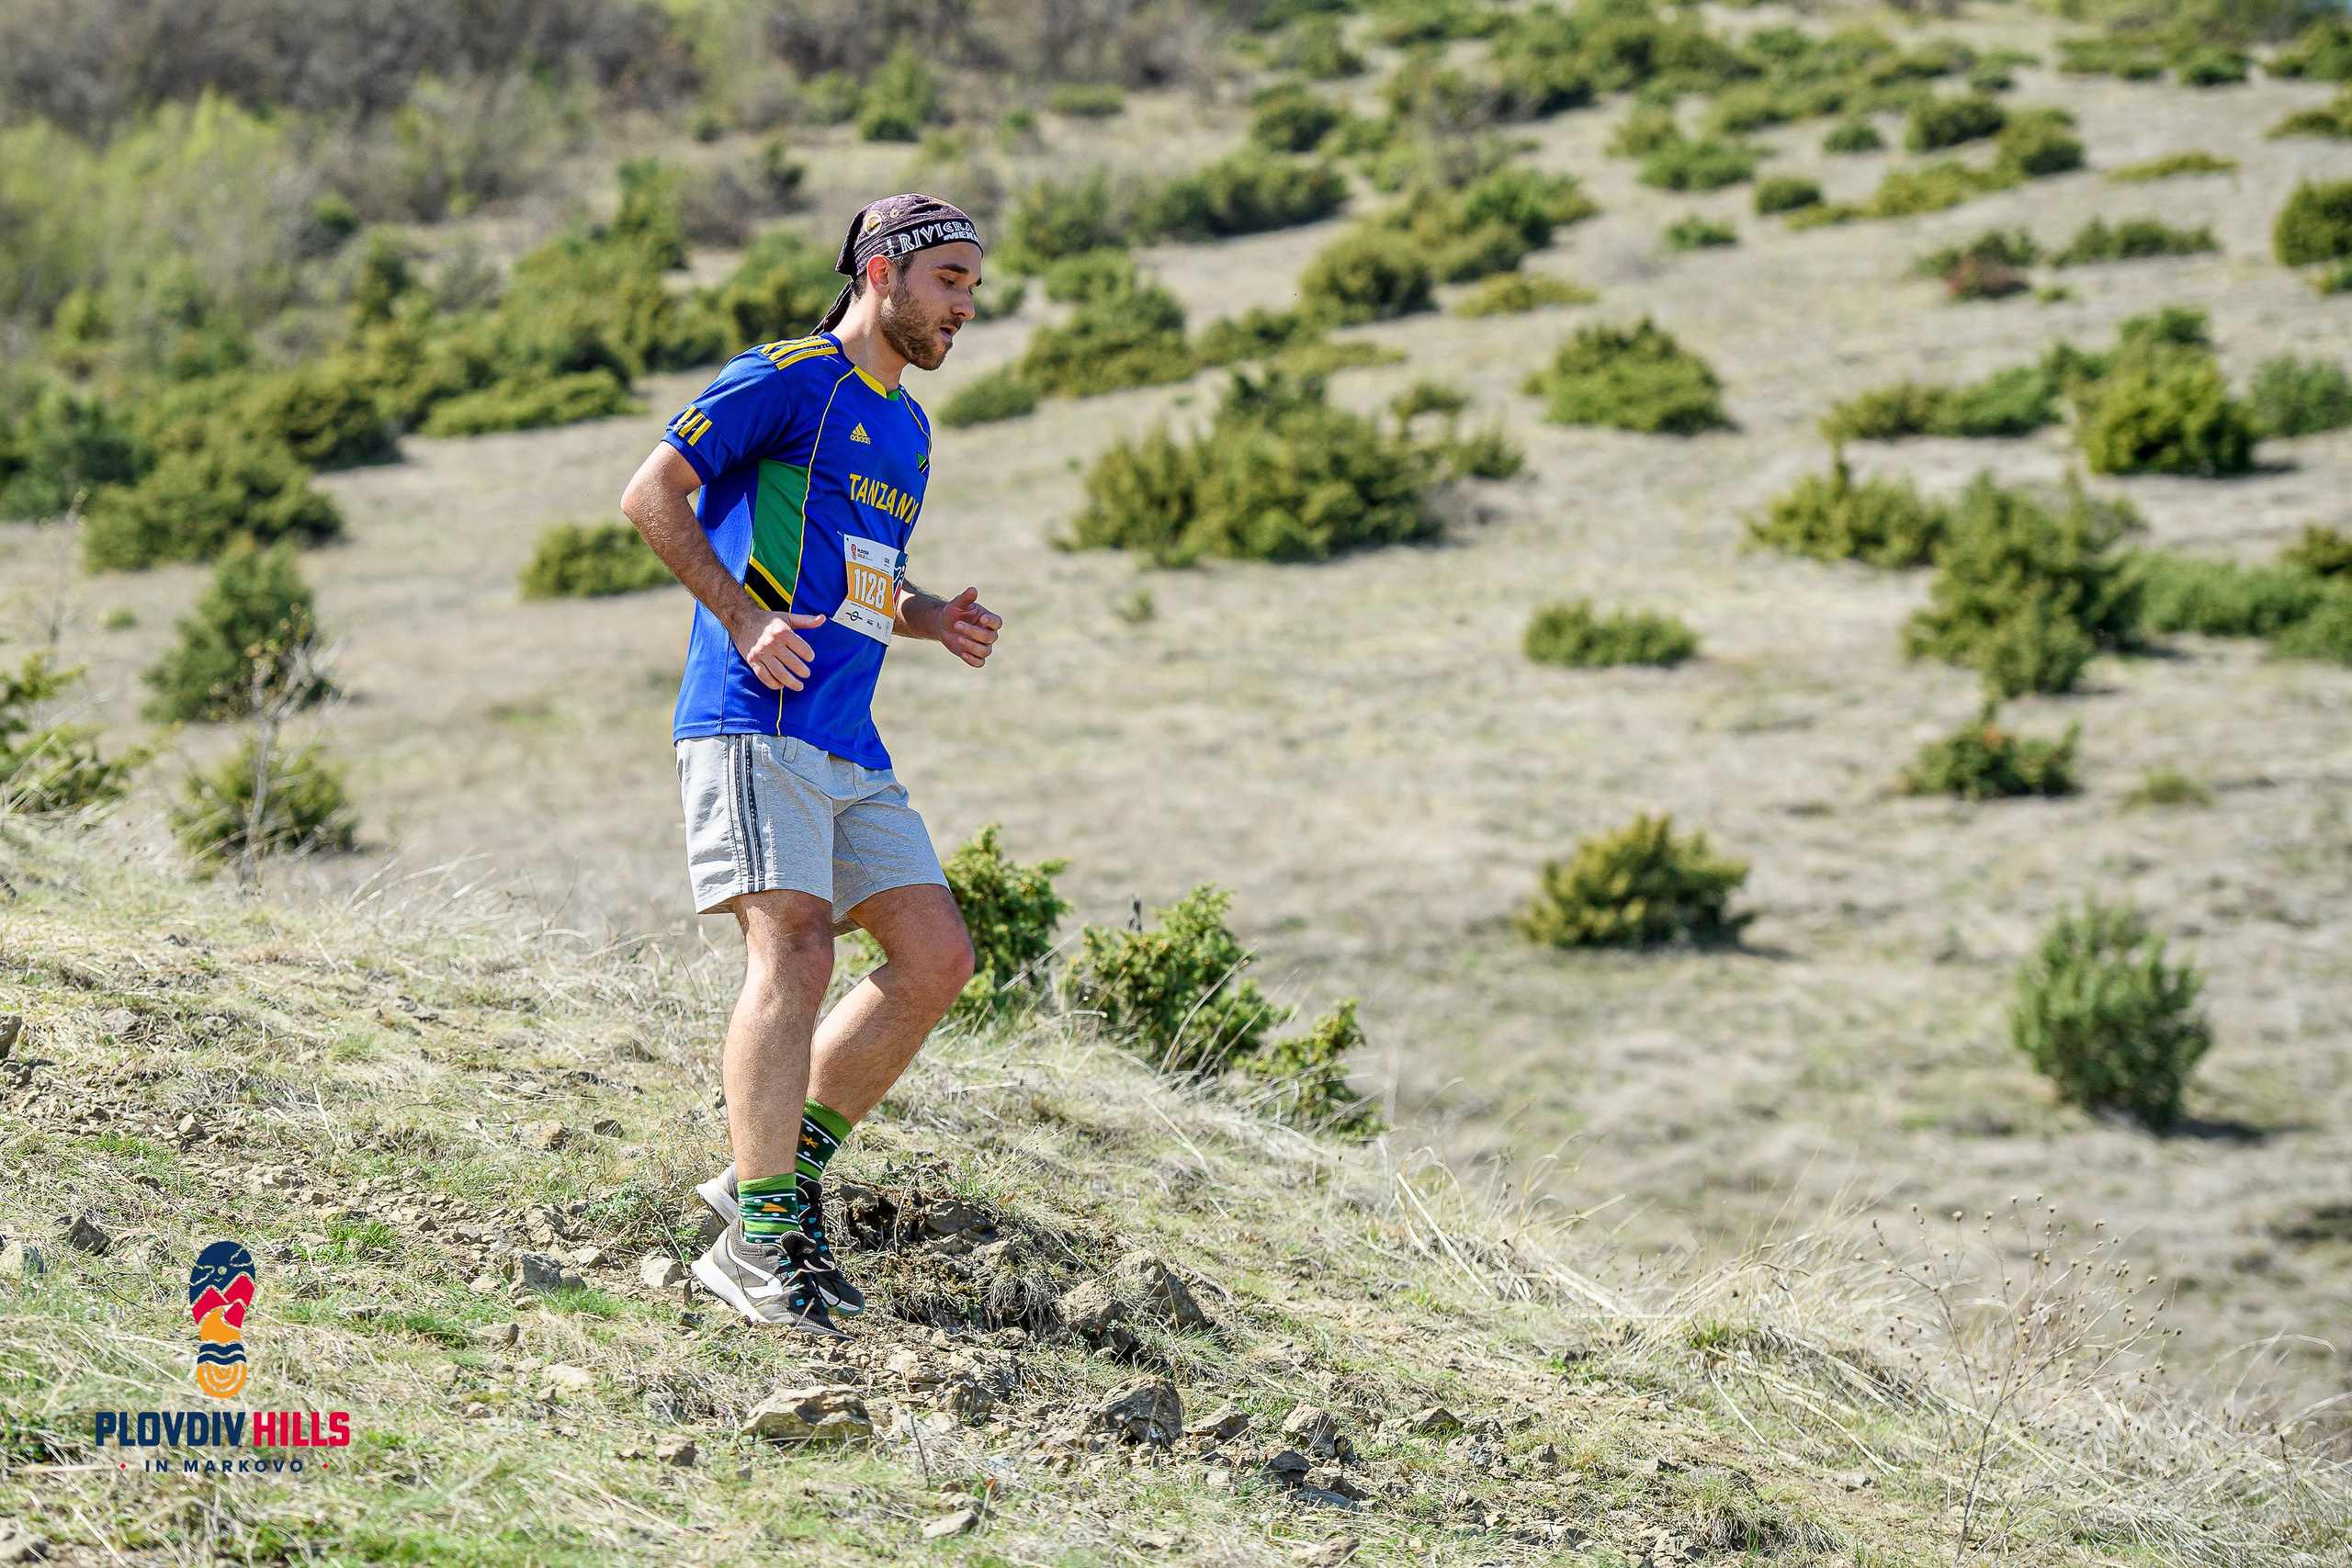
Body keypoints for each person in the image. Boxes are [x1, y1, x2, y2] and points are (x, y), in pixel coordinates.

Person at [618, 194, 1001, 1335]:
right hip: (751, 715)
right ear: (881, 273)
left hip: (847, 737)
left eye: (973, 287)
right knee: (795, 947)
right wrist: (742, 620)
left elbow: (863, 578)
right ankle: (760, 1241)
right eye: (948, 280)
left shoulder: (909, 429)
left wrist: (930, 618)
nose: (965, 306)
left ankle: (766, 1187)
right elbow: (650, 495)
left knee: (936, 959)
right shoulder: (785, 377)